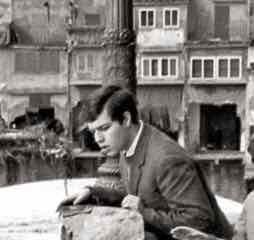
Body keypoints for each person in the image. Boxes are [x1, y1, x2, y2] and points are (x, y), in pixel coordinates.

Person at [59, 85, 232, 240]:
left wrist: (143, 213)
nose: (98, 139)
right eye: (93, 131)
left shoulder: (167, 158)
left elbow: (199, 221)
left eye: (104, 128)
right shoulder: (129, 144)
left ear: (126, 119)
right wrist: (93, 193)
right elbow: (141, 197)